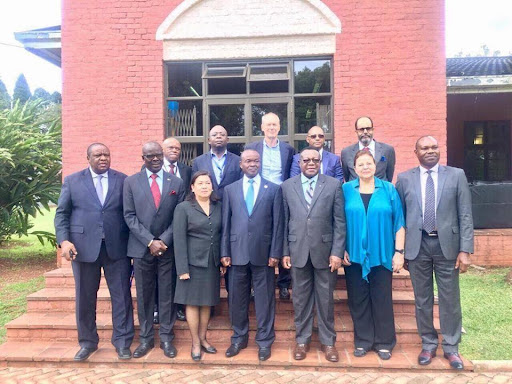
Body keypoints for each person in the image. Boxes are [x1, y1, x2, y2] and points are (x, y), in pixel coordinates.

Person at [396, 136, 473, 370]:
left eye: (434, 147)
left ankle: (451, 347)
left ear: (440, 150)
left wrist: (465, 249)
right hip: (417, 247)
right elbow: (399, 217)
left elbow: (465, 214)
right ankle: (428, 344)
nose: (430, 151)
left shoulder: (456, 175)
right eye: (424, 148)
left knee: (450, 299)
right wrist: (399, 250)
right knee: (422, 299)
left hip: (446, 246)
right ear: (416, 152)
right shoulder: (404, 179)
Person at [54, 143, 134, 361]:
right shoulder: (73, 181)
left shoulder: (123, 180)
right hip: (82, 248)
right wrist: (64, 241)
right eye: (98, 155)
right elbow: (62, 214)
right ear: (87, 158)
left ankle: (123, 342)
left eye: (106, 154)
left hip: (117, 248)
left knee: (122, 297)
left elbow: (129, 213)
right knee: (85, 297)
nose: (103, 158)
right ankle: (88, 342)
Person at [281, 147, 346, 363]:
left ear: (320, 162)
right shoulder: (287, 186)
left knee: (325, 299)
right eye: (306, 160)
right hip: (297, 250)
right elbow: (284, 221)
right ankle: (302, 340)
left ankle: (328, 343)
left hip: (325, 253)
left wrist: (337, 252)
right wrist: (285, 252)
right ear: (299, 163)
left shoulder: (334, 185)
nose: (311, 163)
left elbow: (339, 222)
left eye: (315, 160)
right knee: (300, 299)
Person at [123, 141, 186, 359]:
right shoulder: (131, 182)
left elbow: (179, 216)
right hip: (142, 249)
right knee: (145, 296)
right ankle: (146, 339)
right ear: (143, 158)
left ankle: (167, 339)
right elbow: (129, 216)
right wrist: (150, 241)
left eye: (158, 155)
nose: (156, 159)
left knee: (167, 295)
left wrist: (163, 241)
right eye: (151, 156)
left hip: (168, 249)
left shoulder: (176, 182)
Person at [342, 150, 405, 360]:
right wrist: (340, 248)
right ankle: (363, 341)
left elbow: (399, 224)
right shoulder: (346, 190)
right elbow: (337, 222)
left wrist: (399, 252)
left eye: (369, 163)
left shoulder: (388, 189)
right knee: (358, 300)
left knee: (382, 299)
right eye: (361, 164)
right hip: (353, 256)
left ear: (376, 166)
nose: (365, 167)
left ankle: (384, 342)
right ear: (354, 168)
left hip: (382, 254)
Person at [221, 149, 284, 361]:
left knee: (265, 300)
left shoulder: (274, 189)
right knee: (237, 299)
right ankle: (239, 337)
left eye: (256, 161)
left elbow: (278, 224)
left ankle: (265, 341)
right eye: (248, 161)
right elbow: (226, 223)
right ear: (241, 164)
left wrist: (276, 252)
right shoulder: (230, 190)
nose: (252, 164)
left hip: (264, 254)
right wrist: (224, 252)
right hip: (236, 253)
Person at [173, 171, 223, 361]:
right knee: (193, 303)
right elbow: (179, 239)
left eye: (207, 183)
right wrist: (182, 268)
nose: (204, 186)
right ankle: (195, 342)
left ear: (212, 186)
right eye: (200, 183)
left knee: (206, 302)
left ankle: (203, 338)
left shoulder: (218, 207)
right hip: (191, 264)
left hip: (211, 262)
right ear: (192, 187)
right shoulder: (183, 208)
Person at [245, 112, 295, 300]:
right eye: (269, 125)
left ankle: (283, 283)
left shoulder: (288, 149)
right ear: (262, 127)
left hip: (281, 195)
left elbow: (290, 173)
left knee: (281, 234)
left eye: (275, 124)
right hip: (259, 195)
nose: (272, 128)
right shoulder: (252, 147)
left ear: (280, 127)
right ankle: (251, 284)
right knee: (258, 233)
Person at [162, 136, 191, 322]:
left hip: (182, 226)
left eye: (178, 148)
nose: (174, 150)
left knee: (179, 268)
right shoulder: (150, 169)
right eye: (171, 147)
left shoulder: (186, 170)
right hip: (161, 229)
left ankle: (180, 306)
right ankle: (162, 308)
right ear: (163, 150)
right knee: (164, 274)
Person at [192, 125, 242, 199]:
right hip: (207, 204)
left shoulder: (238, 161)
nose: (218, 137)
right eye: (214, 135)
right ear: (209, 140)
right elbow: (194, 186)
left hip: (231, 203)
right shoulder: (198, 161)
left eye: (222, 135)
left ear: (227, 140)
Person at [341, 116, 396, 182]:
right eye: (361, 129)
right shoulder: (346, 153)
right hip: (355, 191)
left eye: (368, 128)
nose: (365, 132)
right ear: (356, 132)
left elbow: (389, 175)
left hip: (380, 190)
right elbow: (347, 176)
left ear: (373, 130)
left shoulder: (387, 150)